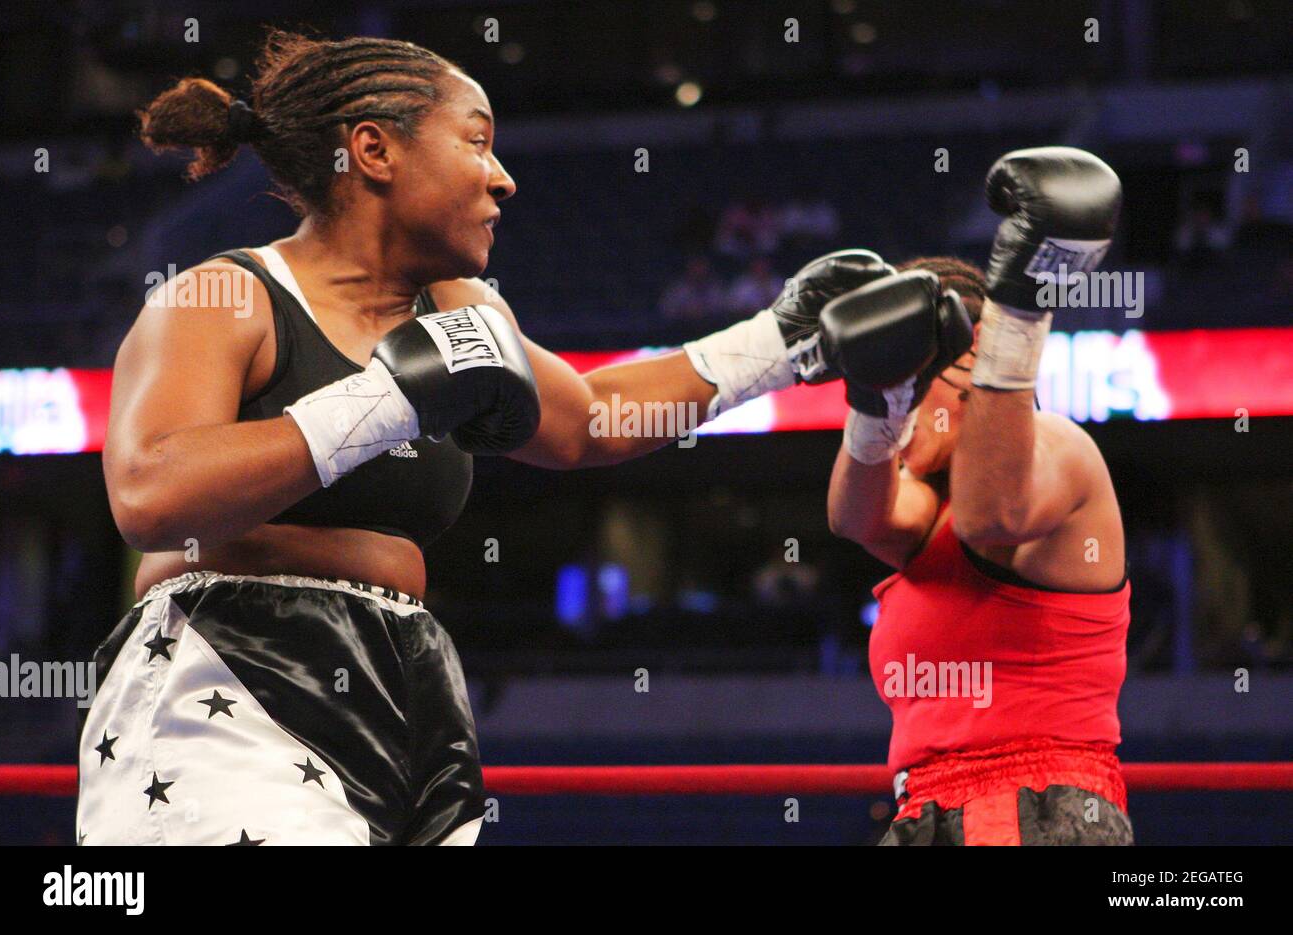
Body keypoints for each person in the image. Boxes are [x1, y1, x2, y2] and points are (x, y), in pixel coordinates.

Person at [78, 30, 893, 845]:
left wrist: (780, 340)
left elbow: (590, 419)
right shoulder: (226, 294)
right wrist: (386, 399)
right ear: (374, 151)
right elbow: (151, 495)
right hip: (228, 666)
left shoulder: (462, 310)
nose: (503, 177)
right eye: (476, 141)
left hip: (410, 684)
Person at [822, 148, 1135, 845]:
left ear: (963, 371)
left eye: (910, 383)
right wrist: (873, 402)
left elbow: (997, 511)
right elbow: (853, 515)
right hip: (926, 812)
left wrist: (1014, 320)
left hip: (1031, 807)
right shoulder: (925, 507)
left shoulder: (1062, 450)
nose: (898, 424)